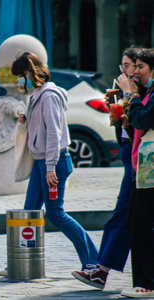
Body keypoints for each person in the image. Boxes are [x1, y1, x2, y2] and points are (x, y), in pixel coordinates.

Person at [0, 52, 98, 276]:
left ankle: (93, 261)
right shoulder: (36, 95)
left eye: (21, 76)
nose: (19, 81)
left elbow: (54, 133)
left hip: (53, 164)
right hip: (41, 163)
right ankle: (20, 262)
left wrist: (50, 168)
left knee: (56, 214)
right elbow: (43, 128)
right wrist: (27, 119)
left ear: (30, 72)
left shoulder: (48, 95)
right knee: (29, 211)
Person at [71, 47, 140, 290]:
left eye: (130, 65)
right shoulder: (127, 91)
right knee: (127, 217)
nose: (125, 70)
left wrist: (128, 99)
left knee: (122, 215)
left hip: (140, 161)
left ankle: (101, 270)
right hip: (129, 157)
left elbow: (141, 122)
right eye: (123, 65)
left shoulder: (140, 93)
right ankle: (101, 270)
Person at [116, 48, 154, 298]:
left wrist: (130, 95)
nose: (135, 71)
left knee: (141, 224)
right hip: (144, 169)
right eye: (134, 66)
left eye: (140, 66)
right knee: (135, 222)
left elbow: (144, 120)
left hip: (150, 171)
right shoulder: (147, 92)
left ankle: (147, 283)